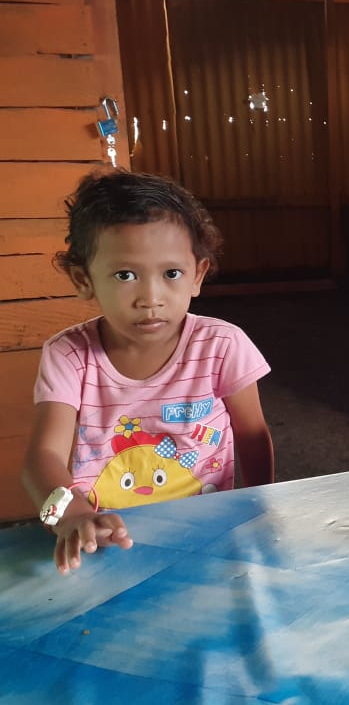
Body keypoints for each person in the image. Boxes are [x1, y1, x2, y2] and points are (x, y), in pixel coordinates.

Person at [21, 171, 275, 574]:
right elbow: (43, 457)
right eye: (125, 275)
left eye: (171, 273)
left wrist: (259, 507)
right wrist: (69, 516)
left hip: (208, 531)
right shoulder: (68, 355)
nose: (151, 298)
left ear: (198, 275)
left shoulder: (223, 345)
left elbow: (252, 434)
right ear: (83, 279)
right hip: (105, 539)